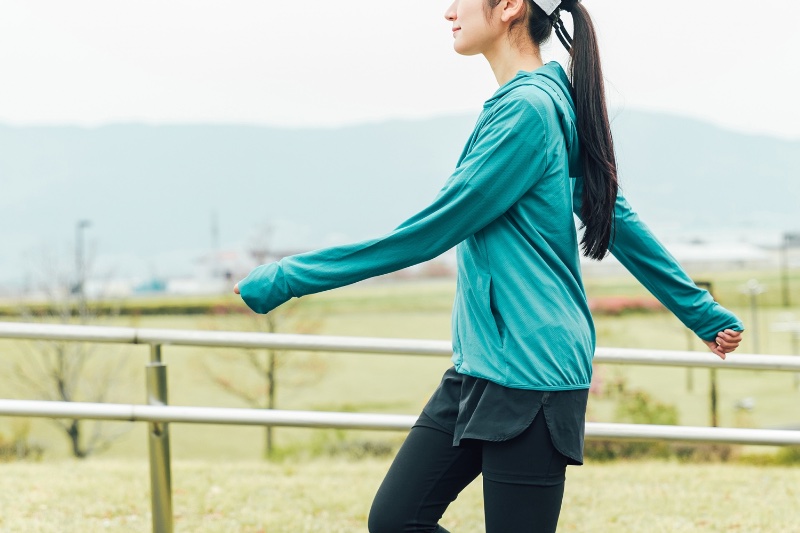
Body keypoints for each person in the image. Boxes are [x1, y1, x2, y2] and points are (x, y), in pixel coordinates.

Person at [234, 0, 744, 531]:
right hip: (481, 367)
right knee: (395, 519)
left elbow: (430, 232)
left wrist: (288, 277)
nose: (448, 11)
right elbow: (617, 216)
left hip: (531, 375)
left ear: (508, 8)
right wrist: (703, 313)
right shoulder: (541, 101)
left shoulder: (529, 110)